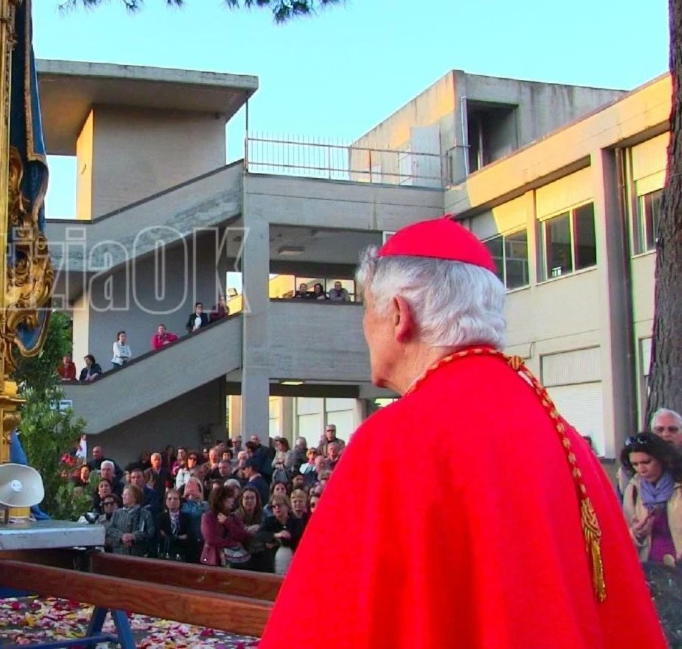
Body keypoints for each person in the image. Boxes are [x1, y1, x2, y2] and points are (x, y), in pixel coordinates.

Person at [260, 216, 662, 647]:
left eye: (366, 311)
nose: (363, 329)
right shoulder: (560, 433)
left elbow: (322, 624)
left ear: (399, 314)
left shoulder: (395, 440)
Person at [620, 433, 682, 565]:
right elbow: (623, 539)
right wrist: (637, 534)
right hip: (649, 567)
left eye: (646, 462)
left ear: (662, 459)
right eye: (635, 464)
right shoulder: (633, 490)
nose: (641, 469)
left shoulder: (678, 485)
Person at [200, 484, 250, 568]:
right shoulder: (208, 517)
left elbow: (242, 536)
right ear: (220, 500)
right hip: (212, 560)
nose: (232, 500)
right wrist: (233, 543)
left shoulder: (233, 517)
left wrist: (228, 523)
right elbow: (211, 538)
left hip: (233, 561)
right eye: (229, 498)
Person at [105, 485, 153, 557]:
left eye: (126, 495)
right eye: (123, 495)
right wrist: (122, 536)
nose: (123, 497)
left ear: (135, 498)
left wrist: (133, 536)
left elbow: (149, 532)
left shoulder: (145, 513)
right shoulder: (117, 513)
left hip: (138, 554)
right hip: (119, 553)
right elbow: (110, 529)